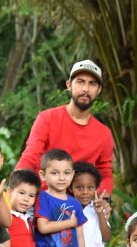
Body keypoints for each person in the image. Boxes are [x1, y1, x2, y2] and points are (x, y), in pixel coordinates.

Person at [15, 60, 114, 194]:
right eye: (80, 81)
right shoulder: (47, 118)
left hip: (78, 204)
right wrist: (15, 188)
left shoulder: (104, 134)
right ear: (69, 85)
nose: (85, 89)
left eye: (92, 83)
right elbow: (30, 157)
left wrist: (102, 199)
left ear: (99, 90)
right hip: (42, 198)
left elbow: (105, 173)